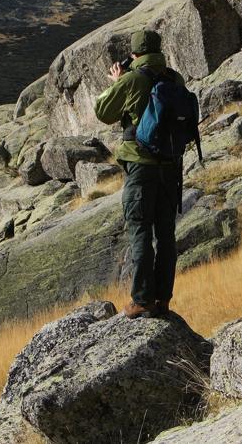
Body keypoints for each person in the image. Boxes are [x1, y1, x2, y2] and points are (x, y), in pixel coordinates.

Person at [93, 29, 184, 319]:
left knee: (141, 231)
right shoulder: (174, 78)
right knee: (166, 234)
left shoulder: (133, 79)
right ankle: (163, 298)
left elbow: (103, 111)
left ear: (134, 54)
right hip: (171, 167)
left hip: (141, 166)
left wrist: (118, 82)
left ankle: (143, 298)